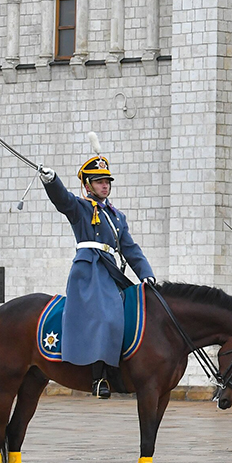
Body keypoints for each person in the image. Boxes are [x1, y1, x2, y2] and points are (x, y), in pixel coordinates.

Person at [38, 135, 156, 399]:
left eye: (107, 182)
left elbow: (130, 248)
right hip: (88, 271)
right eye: (100, 182)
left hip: (111, 270)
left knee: (131, 312)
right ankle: (99, 377)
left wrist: (146, 274)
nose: (105, 186)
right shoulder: (80, 207)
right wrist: (51, 180)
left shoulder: (116, 216)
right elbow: (62, 200)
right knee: (105, 315)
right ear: (88, 185)